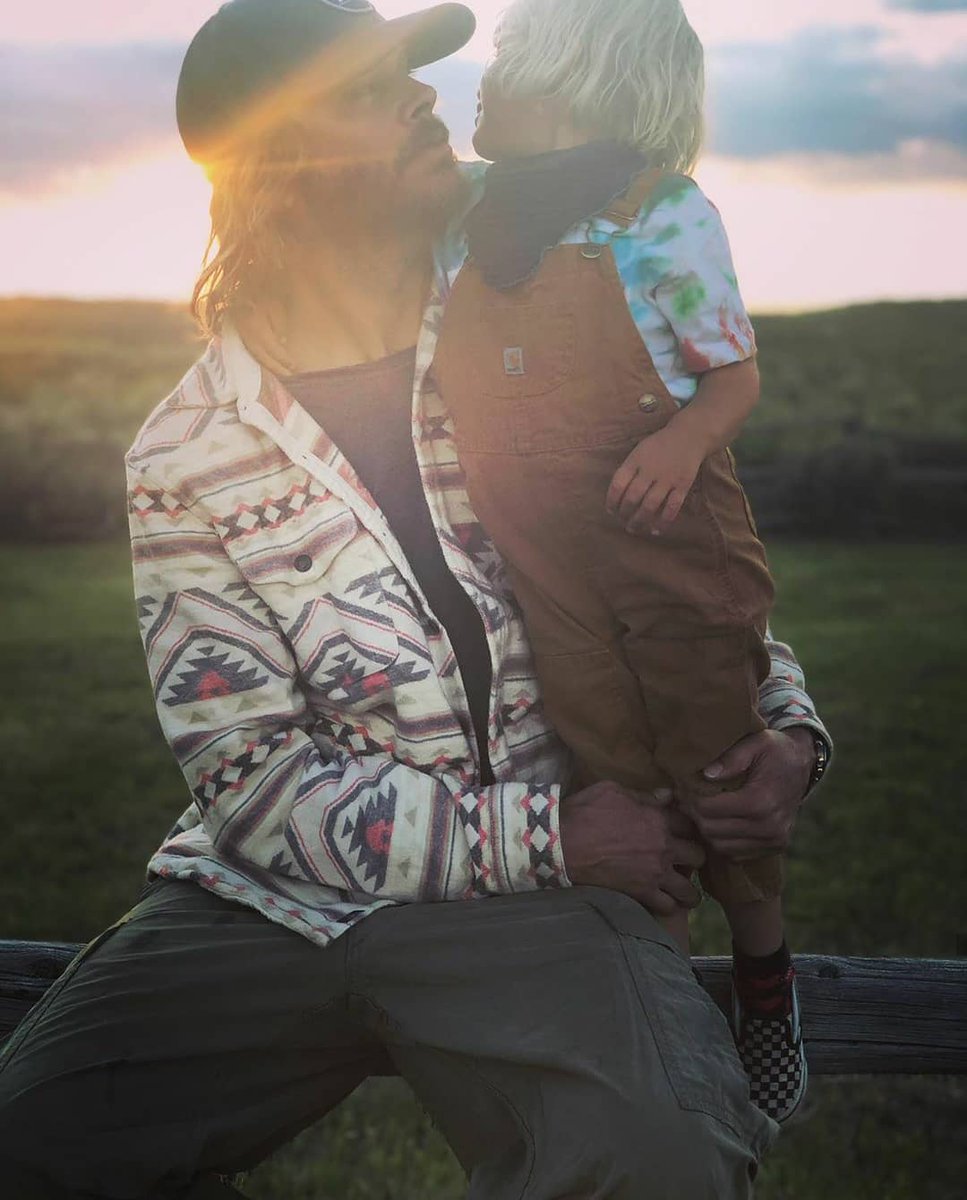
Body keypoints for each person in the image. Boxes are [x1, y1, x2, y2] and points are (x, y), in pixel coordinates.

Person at [0, 2, 829, 1196]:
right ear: (280, 165)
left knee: (665, 1159)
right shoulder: (184, 450)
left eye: (417, 74)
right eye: (371, 86)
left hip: (548, 904)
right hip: (269, 903)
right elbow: (251, 781)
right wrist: (549, 835)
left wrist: (789, 731)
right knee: (29, 1141)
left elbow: (673, 565)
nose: (427, 99)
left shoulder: (533, 325)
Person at [430, 0, 823, 1122]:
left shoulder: (660, 215)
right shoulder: (472, 218)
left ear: (575, 83)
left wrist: (681, 438)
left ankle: (763, 969)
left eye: (505, 65)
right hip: (539, 544)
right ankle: (663, 1001)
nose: (481, 85)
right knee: (606, 747)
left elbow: (731, 374)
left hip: (665, 531)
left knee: (710, 741)